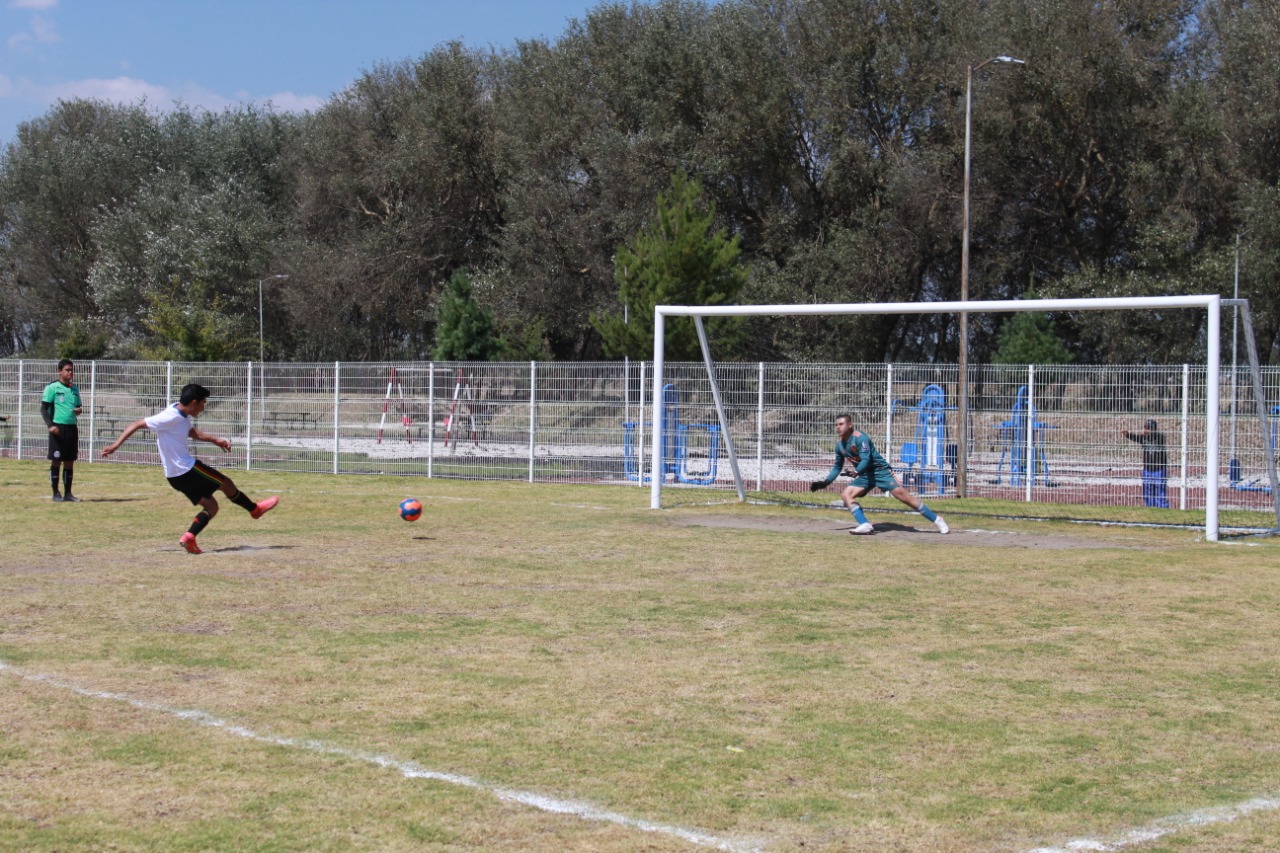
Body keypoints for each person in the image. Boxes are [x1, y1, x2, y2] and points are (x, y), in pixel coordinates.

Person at [100, 383, 279, 554]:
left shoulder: (180, 413)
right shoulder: (170, 416)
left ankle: (189, 537)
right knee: (226, 483)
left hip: (174, 476)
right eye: (203, 403)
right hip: (186, 469)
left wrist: (215, 440)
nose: (203, 407)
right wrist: (116, 445)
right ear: (194, 402)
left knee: (212, 506)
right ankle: (254, 510)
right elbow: (137, 423)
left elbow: (193, 433)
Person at [810, 413, 949, 535]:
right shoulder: (839, 445)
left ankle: (937, 519)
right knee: (846, 494)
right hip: (865, 475)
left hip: (880, 472)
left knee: (904, 497)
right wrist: (825, 482)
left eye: (841, 424)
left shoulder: (860, 438)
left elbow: (866, 459)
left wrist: (857, 471)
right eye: (836, 425)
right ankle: (865, 524)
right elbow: (836, 467)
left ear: (850, 425)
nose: (838, 427)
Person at [41, 358, 83, 501]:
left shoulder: (75, 388)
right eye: (67, 370)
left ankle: (68, 494)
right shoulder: (52, 388)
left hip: (72, 428)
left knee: (70, 461)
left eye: (72, 370)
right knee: (56, 460)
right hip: (58, 428)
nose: (70, 372)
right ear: (60, 371)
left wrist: (78, 410)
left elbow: (78, 406)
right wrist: (50, 425)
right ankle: (55, 493)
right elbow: (43, 409)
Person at [1124, 419, 1169, 508]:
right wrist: (1128, 435)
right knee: (1147, 490)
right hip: (1147, 469)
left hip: (1159, 470)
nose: (1144, 430)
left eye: (1147, 428)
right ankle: (1149, 508)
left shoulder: (1160, 438)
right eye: (1144, 428)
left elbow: (1158, 438)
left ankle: (1163, 508)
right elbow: (1136, 438)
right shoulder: (1144, 438)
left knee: (1160, 490)